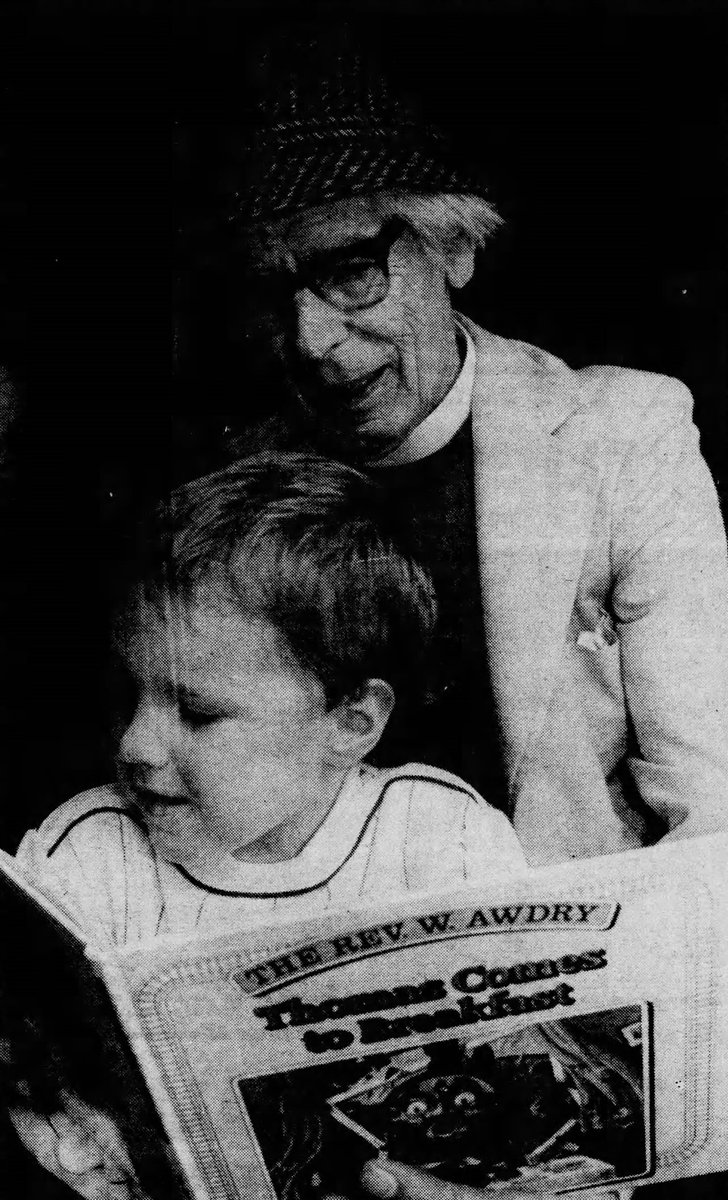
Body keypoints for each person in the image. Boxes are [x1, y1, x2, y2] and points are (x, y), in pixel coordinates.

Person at [228, 53, 728, 868]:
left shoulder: (626, 433)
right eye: (271, 296)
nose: (312, 342)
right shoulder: (241, 487)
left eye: (351, 273)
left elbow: (714, 798)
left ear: (451, 249)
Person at [5, 451, 528, 1198]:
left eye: (198, 712)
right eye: (132, 696)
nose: (136, 746)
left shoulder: (445, 837)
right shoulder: (84, 856)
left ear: (349, 724)